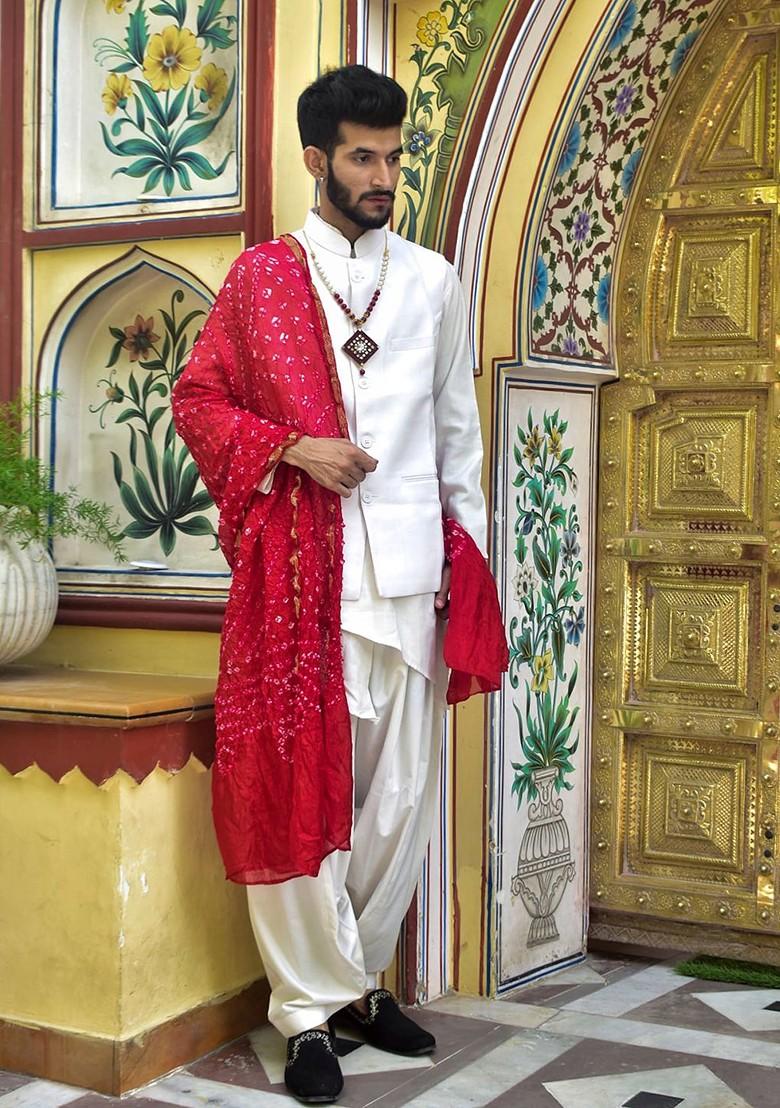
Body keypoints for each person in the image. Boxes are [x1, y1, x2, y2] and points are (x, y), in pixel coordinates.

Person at [172, 64, 505, 1105]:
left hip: (409, 581)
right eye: (363, 156)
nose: (384, 175)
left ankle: (355, 983)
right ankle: (306, 1012)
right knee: (298, 804)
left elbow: (459, 437)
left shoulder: (434, 281)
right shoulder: (263, 278)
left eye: (395, 156)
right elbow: (198, 400)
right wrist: (293, 449)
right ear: (316, 159)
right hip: (301, 589)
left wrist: (471, 564)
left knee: (394, 805)